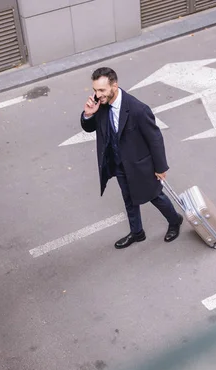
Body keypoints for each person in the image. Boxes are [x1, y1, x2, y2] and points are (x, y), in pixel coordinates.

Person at [80, 67, 183, 249]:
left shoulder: (137, 109)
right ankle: (137, 233)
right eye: (95, 90)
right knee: (128, 199)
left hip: (139, 165)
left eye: (102, 90)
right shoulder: (101, 105)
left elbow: (155, 139)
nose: (97, 95)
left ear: (114, 86)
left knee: (155, 196)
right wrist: (89, 114)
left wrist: (160, 168)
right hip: (119, 164)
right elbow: (89, 128)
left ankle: (175, 221)